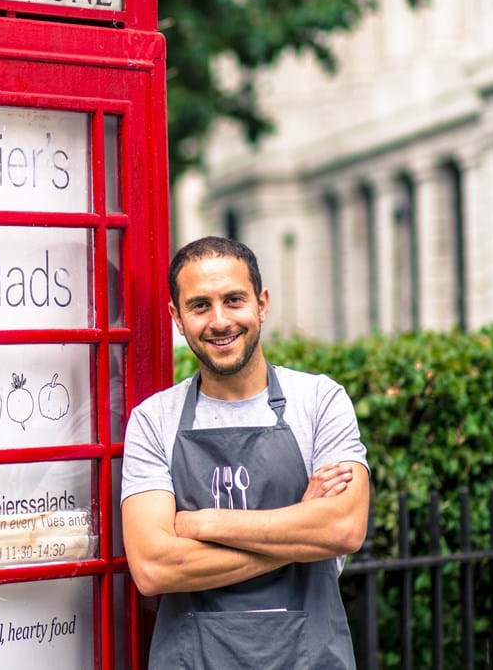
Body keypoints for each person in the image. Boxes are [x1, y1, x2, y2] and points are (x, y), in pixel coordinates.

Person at [121, 236, 369, 668]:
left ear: (262, 304)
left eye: (233, 300)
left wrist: (204, 522)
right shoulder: (153, 420)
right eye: (200, 306)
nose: (219, 321)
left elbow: (343, 528)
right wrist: (301, 532)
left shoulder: (319, 399)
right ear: (176, 319)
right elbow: (154, 568)